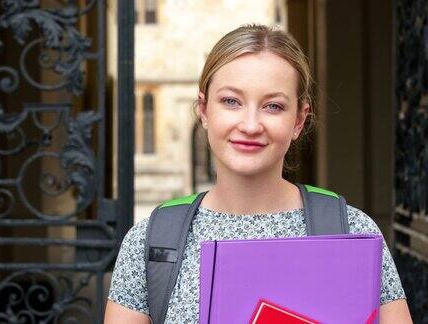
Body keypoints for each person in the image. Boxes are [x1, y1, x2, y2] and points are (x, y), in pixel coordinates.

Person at [104, 24, 412, 323]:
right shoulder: (151, 242)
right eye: (231, 101)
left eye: (273, 106)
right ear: (204, 110)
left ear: (299, 120)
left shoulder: (353, 233)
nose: (250, 125)